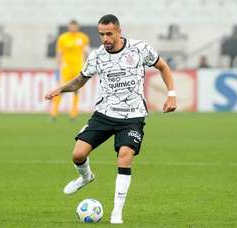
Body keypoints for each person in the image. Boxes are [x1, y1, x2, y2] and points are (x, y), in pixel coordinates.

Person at [45, 14, 177, 224]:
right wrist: (60, 89)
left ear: (118, 31)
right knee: (78, 155)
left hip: (132, 116)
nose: (105, 38)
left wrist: (171, 95)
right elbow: (80, 81)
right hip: (104, 114)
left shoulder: (139, 49)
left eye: (109, 34)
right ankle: (86, 177)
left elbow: (163, 67)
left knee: (125, 156)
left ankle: (117, 211)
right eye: (101, 34)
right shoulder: (98, 56)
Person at [50, 20, 90, 120]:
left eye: (74, 26)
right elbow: (59, 53)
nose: (73, 28)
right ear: (69, 27)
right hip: (66, 68)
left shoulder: (83, 37)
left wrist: (86, 65)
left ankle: (73, 114)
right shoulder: (63, 38)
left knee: (76, 90)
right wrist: (57, 66)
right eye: (71, 26)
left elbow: (86, 52)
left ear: (77, 27)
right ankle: (54, 113)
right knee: (60, 89)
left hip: (78, 68)